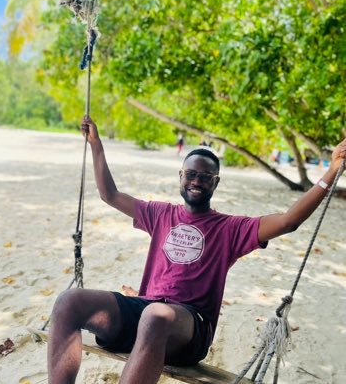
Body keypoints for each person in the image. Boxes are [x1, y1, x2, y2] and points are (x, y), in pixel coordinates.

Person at [48, 116, 346, 384]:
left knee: (156, 315)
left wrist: (331, 171)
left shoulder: (230, 228)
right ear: (181, 176)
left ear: (215, 182)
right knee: (70, 302)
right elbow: (109, 195)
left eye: (205, 177)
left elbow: (288, 222)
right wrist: (96, 145)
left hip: (189, 330)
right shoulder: (160, 214)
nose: (196, 181)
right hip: (147, 312)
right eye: (191, 174)